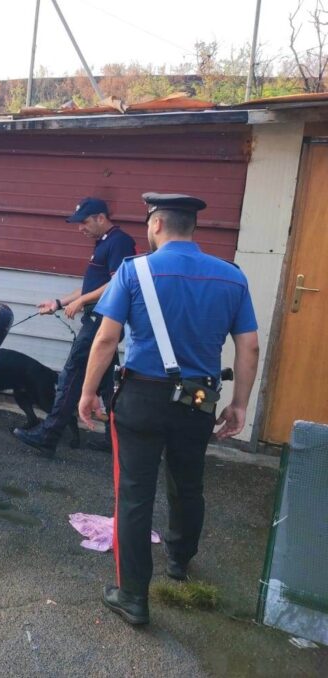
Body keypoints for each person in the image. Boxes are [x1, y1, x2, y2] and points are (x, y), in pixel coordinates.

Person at [78, 193, 260, 626]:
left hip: (141, 397)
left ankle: (133, 597)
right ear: (192, 227)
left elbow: (106, 340)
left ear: (156, 224)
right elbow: (249, 344)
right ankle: (179, 560)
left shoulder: (133, 270)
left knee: (135, 494)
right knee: (188, 481)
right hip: (198, 401)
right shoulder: (231, 277)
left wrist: (87, 393)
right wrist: (239, 404)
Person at [12, 197, 137, 456]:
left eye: (84, 222)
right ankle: (115, 439)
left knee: (72, 374)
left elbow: (118, 284)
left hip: (103, 321)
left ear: (101, 218)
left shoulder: (119, 242)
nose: (80, 228)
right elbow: (90, 287)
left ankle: (48, 435)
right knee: (107, 382)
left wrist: (82, 301)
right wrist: (58, 303)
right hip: (98, 318)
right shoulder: (103, 244)